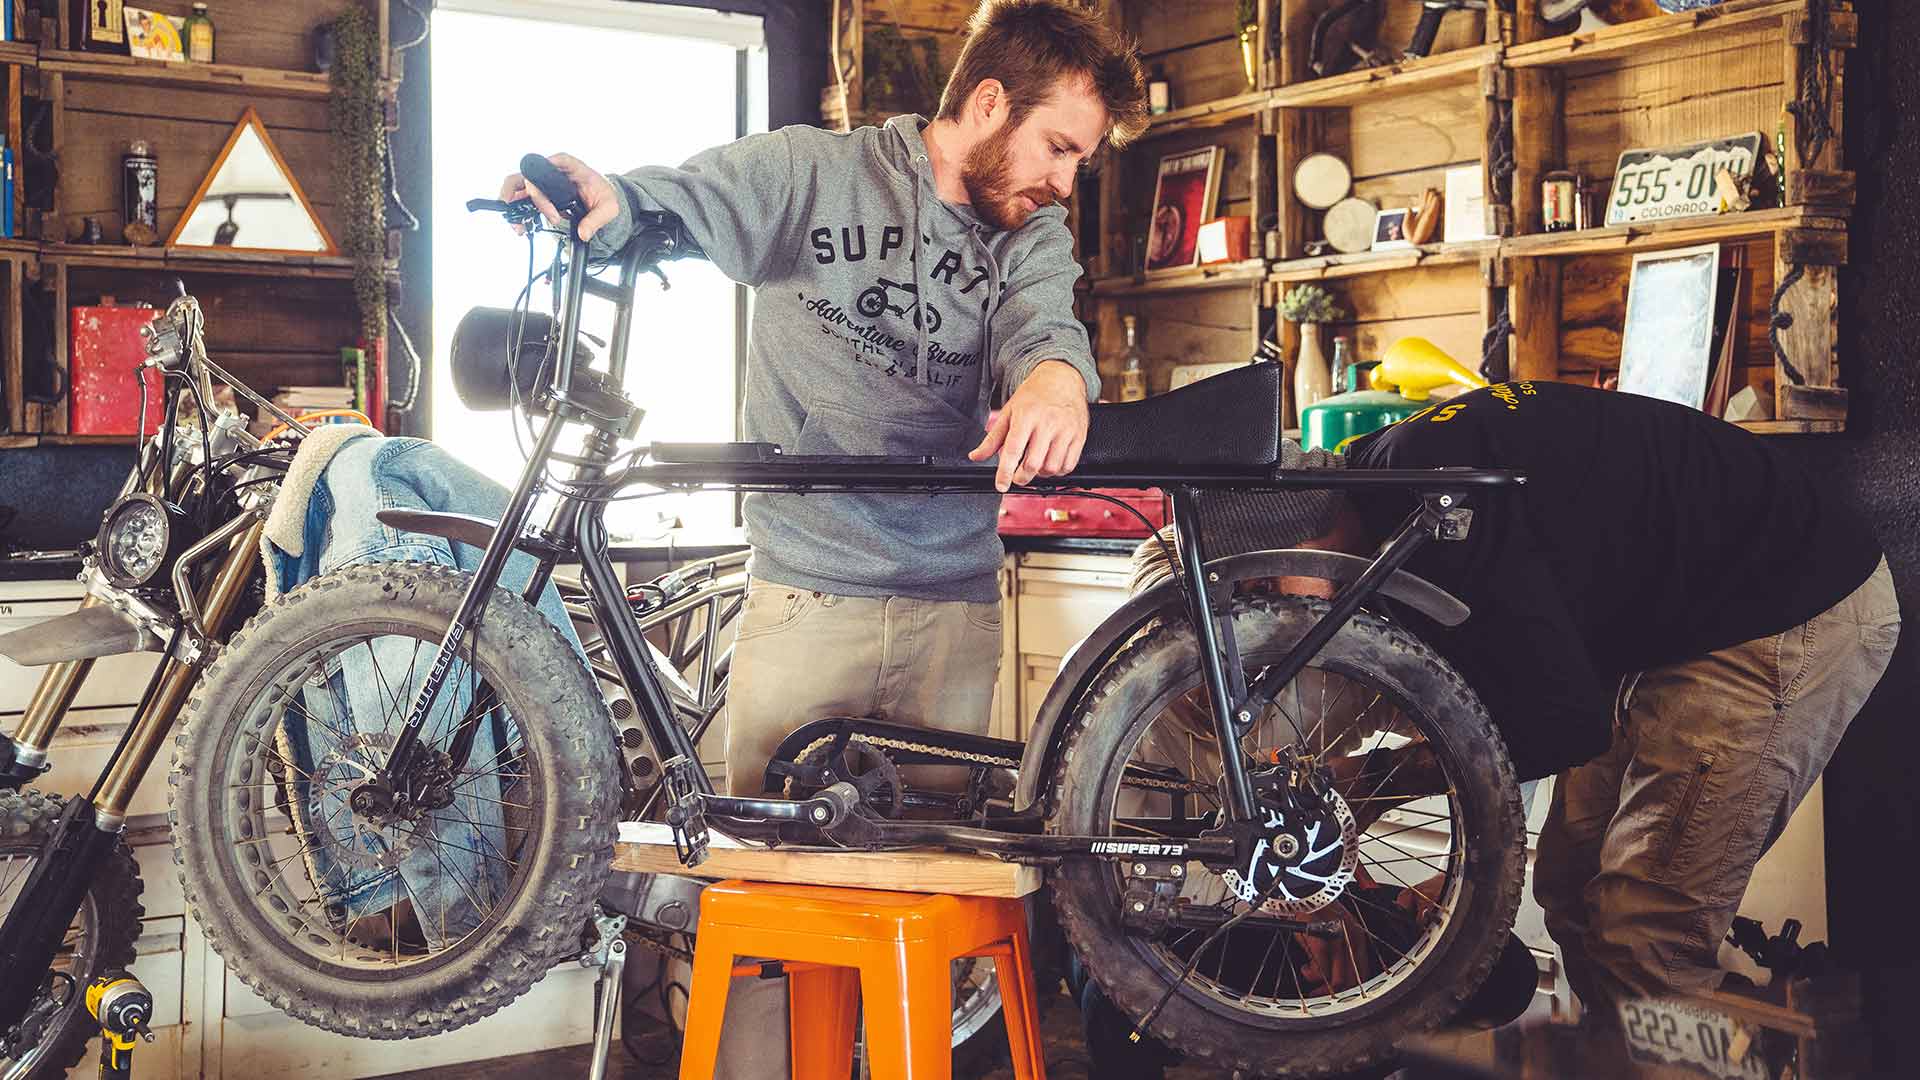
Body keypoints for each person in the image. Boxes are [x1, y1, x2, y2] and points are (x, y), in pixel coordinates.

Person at [501, 0, 1147, 804]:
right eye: (1058, 148)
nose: (1063, 182)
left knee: (932, 874)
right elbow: (681, 199)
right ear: (989, 102)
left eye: (1079, 161)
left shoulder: (1032, 232)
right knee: (780, 868)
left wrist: (1056, 378)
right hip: (806, 590)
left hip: (955, 607)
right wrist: (607, 198)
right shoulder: (811, 174)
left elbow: (1044, 323)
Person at [1133, 379, 1899, 1020]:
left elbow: (1552, 723)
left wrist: (1388, 802)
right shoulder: (1387, 489)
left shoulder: (1437, 511)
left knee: (1646, 937)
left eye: (1267, 589)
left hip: (1780, 613)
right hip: (1671, 632)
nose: (1279, 617)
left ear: (1300, 534)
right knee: (1571, 898)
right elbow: (1526, 692)